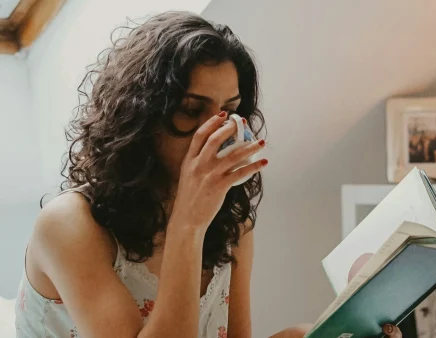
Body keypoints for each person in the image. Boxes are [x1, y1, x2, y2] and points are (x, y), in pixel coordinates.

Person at [14, 11, 402, 338]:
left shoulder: (233, 221)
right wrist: (188, 224)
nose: (217, 131)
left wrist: (320, 333)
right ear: (139, 117)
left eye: (229, 109)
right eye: (190, 109)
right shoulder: (68, 226)